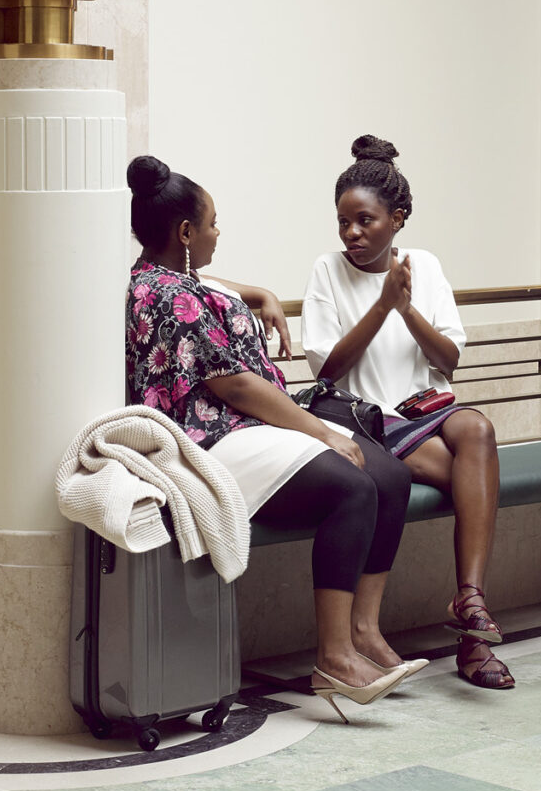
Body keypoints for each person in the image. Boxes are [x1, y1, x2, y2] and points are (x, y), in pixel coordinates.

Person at [124, 154, 425, 709]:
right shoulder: (170, 295)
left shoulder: (175, 277)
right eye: (212, 222)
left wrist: (257, 293)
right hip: (214, 436)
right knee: (353, 485)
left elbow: (207, 285)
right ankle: (333, 659)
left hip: (252, 424)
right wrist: (321, 433)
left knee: (392, 475)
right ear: (186, 232)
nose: (219, 232)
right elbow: (234, 386)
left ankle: (364, 631)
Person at [301, 135, 515, 690]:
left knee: (478, 429)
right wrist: (381, 307)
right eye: (343, 221)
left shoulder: (424, 266)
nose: (352, 233)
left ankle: (469, 600)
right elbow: (328, 370)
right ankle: (472, 638)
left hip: (427, 410)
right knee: (478, 484)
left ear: (397, 219)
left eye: (365, 221)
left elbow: (449, 358)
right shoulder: (327, 271)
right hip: (371, 420)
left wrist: (406, 307)